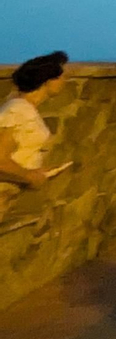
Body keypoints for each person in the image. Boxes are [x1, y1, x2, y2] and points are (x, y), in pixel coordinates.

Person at [0, 52, 71, 218]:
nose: (64, 82)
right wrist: (29, 176)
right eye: (61, 77)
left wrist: (38, 171)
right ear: (47, 81)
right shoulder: (17, 110)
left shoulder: (25, 110)